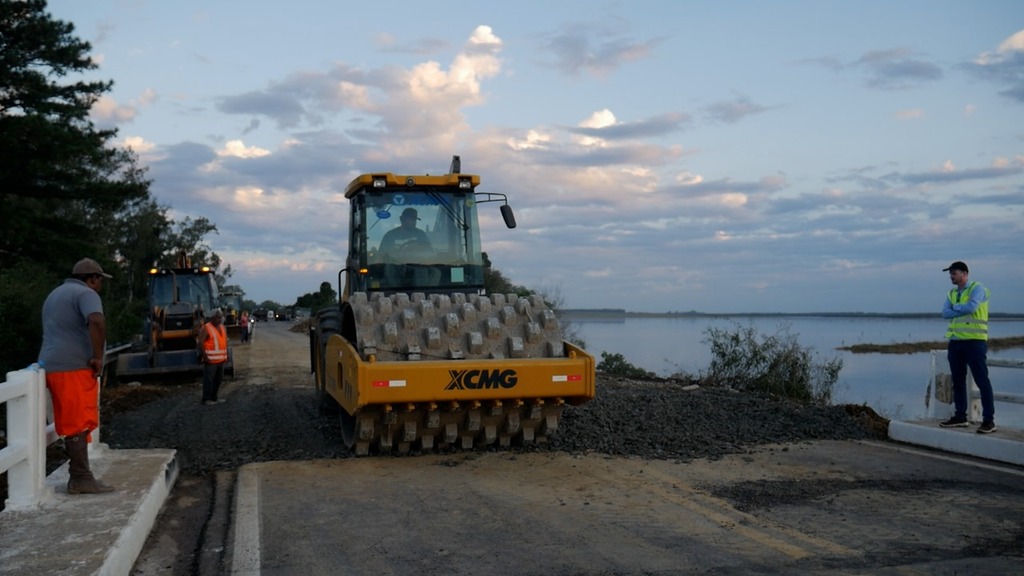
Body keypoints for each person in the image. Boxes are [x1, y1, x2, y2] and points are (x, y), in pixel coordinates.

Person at [38, 258, 116, 494]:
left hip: (51, 363)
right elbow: (96, 321)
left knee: (71, 419)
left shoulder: (56, 294)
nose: (100, 285)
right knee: (77, 421)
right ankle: (80, 477)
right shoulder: (86, 294)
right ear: (93, 278)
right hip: (72, 367)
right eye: (100, 280)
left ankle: (80, 475)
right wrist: (97, 357)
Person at [938, 261, 996, 434]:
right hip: (955, 342)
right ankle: (960, 416)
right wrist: (959, 309)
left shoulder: (977, 289)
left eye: (954, 273)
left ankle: (989, 421)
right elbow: (944, 313)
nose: (951, 276)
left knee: (982, 381)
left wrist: (955, 308)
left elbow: (972, 307)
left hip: (975, 342)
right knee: (958, 381)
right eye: (950, 274)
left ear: (964, 273)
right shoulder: (952, 293)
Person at [199, 308, 229, 405]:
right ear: (212, 318)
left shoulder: (222, 328)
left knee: (218, 380)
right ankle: (206, 399)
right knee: (209, 380)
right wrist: (205, 356)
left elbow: (224, 343)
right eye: (218, 317)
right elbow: (201, 343)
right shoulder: (206, 328)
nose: (220, 319)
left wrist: (226, 356)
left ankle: (214, 397)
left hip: (220, 360)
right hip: (211, 360)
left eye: (221, 317)